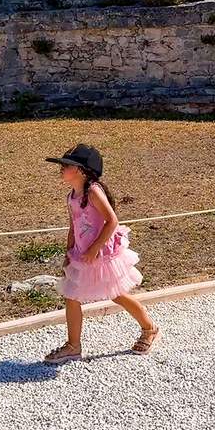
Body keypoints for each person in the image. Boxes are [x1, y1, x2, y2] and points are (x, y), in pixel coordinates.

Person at [43, 144, 160, 364]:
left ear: (81, 170)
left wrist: (95, 248)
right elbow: (73, 226)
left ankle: (149, 328)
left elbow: (112, 220)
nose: (61, 168)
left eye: (66, 165)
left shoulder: (93, 192)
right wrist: (69, 251)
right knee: (71, 296)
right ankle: (73, 346)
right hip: (81, 254)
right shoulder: (71, 196)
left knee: (116, 294)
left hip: (102, 255)